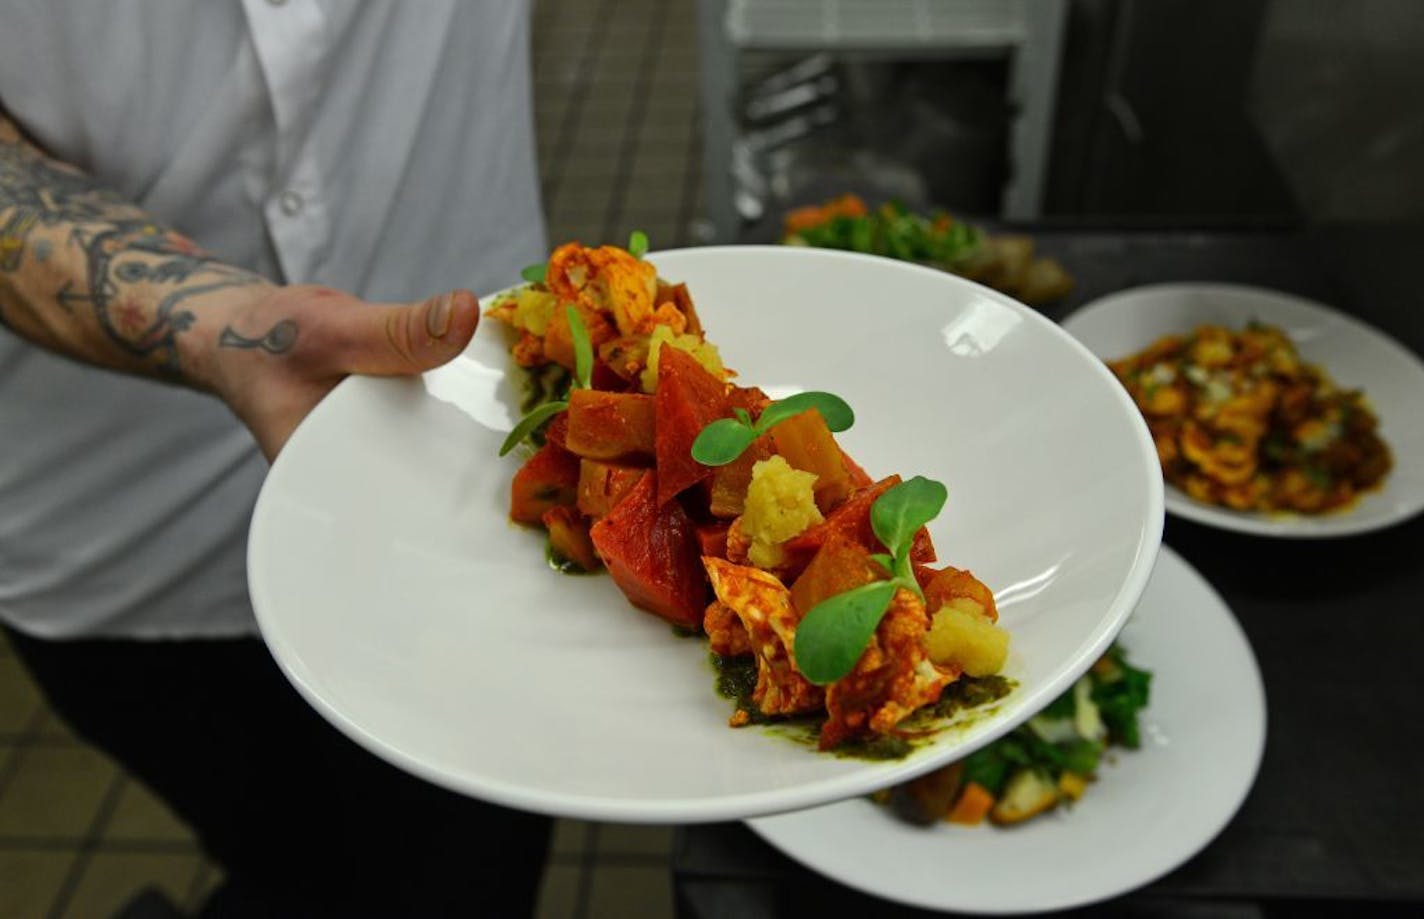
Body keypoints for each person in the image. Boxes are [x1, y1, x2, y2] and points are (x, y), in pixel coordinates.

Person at [1, 2, 553, 915]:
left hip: (462, 477)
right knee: (288, 863)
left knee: (469, 875)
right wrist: (217, 325)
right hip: (118, 535)